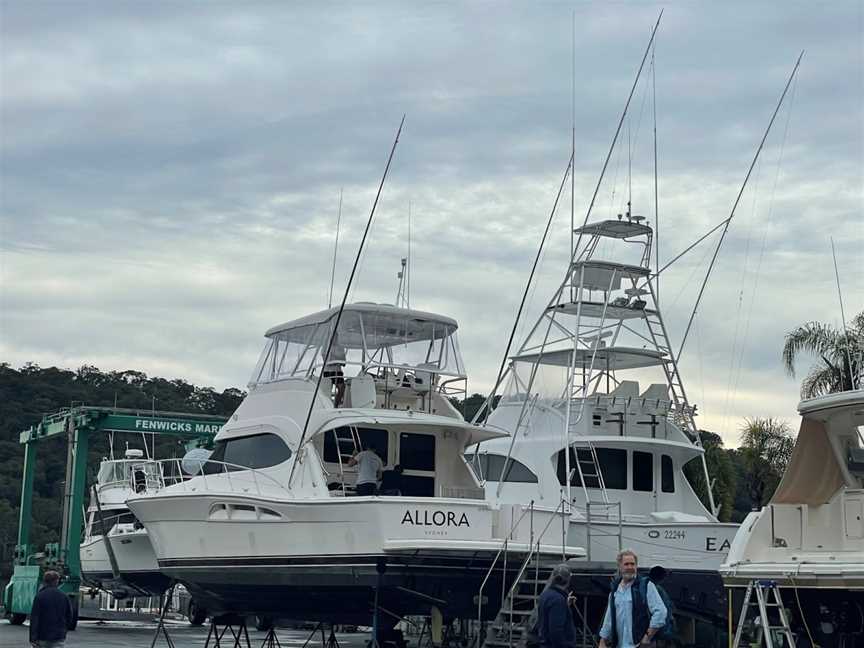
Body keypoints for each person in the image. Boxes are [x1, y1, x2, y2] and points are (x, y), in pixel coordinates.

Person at [598, 550, 667, 648]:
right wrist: (603, 640)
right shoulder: (615, 591)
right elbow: (609, 619)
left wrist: (647, 636)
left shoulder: (646, 586)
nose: (630, 567)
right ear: (620, 567)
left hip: (639, 645)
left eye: (632, 564)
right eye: (626, 564)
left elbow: (661, 612)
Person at [29, 570, 73, 648]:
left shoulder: (40, 596)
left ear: (45, 581)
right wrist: (64, 630)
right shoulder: (64, 596)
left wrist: (33, 638)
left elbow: (35, 618)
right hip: (58, 636)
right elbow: (69, 616)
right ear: (56, 581)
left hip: (42, 636)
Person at [536, 563, 577, 648]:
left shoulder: (545, 595)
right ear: (569, 579)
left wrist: (566, 605)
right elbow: (556, 631)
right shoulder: (558, 600)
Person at [323, 336, 347, 407]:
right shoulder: (326, 346)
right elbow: (325, 359)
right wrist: (337, 359)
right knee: (327, 390)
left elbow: (344, 362)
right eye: (332, 337)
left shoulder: (341, 347)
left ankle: (336, 405)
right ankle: (327, 405)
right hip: (328, 371)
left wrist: (334, 358)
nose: (334, 339)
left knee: (342, 388)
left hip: (338, 371)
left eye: (335, 337)